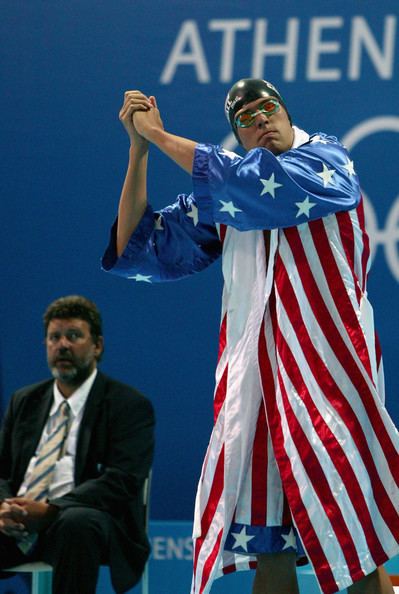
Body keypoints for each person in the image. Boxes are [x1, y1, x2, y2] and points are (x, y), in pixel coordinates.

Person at [102, 80, 399, 594]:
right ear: (237, 134)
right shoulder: (229, 202)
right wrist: (139, 149)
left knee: (354, 551)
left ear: (286, 113)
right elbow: (137, 247)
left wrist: (163, 133)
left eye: (269, 109)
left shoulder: (327, 161)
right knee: (272, 556)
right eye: (246, 118)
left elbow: (267, 186)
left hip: (331, 390)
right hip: (258, 399)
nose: (261, 120)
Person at [0, 295, 155, 594]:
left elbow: (122, 481)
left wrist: (50, 510)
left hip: (81, 521)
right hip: (18, 520)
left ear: (97, 345)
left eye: (74, 336)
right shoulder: (25, 401)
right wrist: (5, 507)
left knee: (77, 524)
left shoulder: (129, 405)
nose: (62, 345)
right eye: (54, 337)